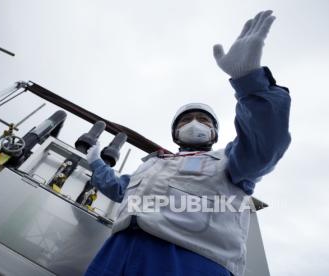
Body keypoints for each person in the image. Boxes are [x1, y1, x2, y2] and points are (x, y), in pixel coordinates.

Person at [84, 10, 291, 276]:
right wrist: (96, 163)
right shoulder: (152, 165)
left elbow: (267, 139)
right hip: (117, 255)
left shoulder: (232, 161)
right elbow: (118, 188)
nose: (194, 123)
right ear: (175, 132)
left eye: (203, 119)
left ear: (214, 133)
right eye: (186, 120)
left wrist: (250, 82)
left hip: (191, 262)